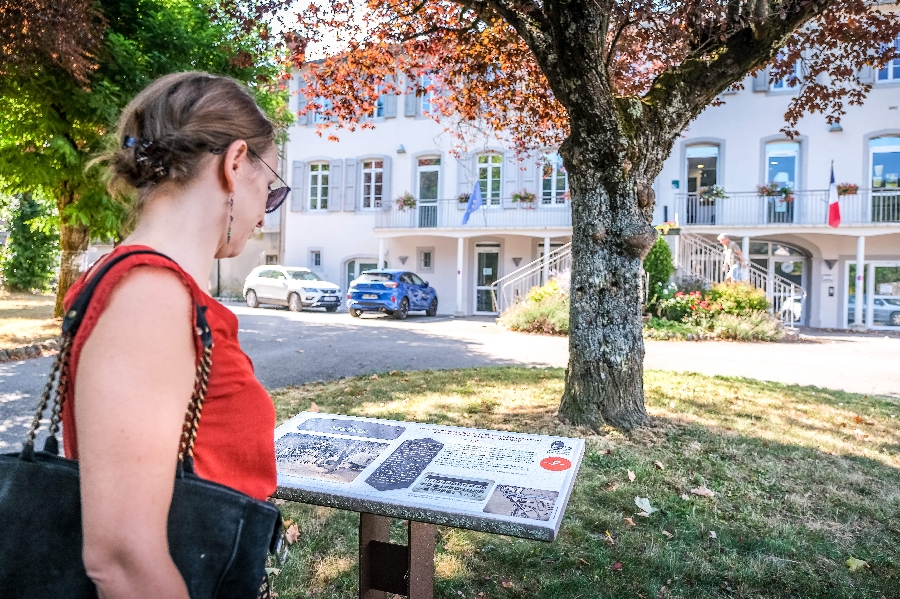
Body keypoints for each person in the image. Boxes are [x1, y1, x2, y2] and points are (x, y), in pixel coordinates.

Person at [61, 72, 289, 598]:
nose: (265, 209)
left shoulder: (155, 287)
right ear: (235, 164)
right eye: (270, 187)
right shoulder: (149, 295)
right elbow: (121, 558)